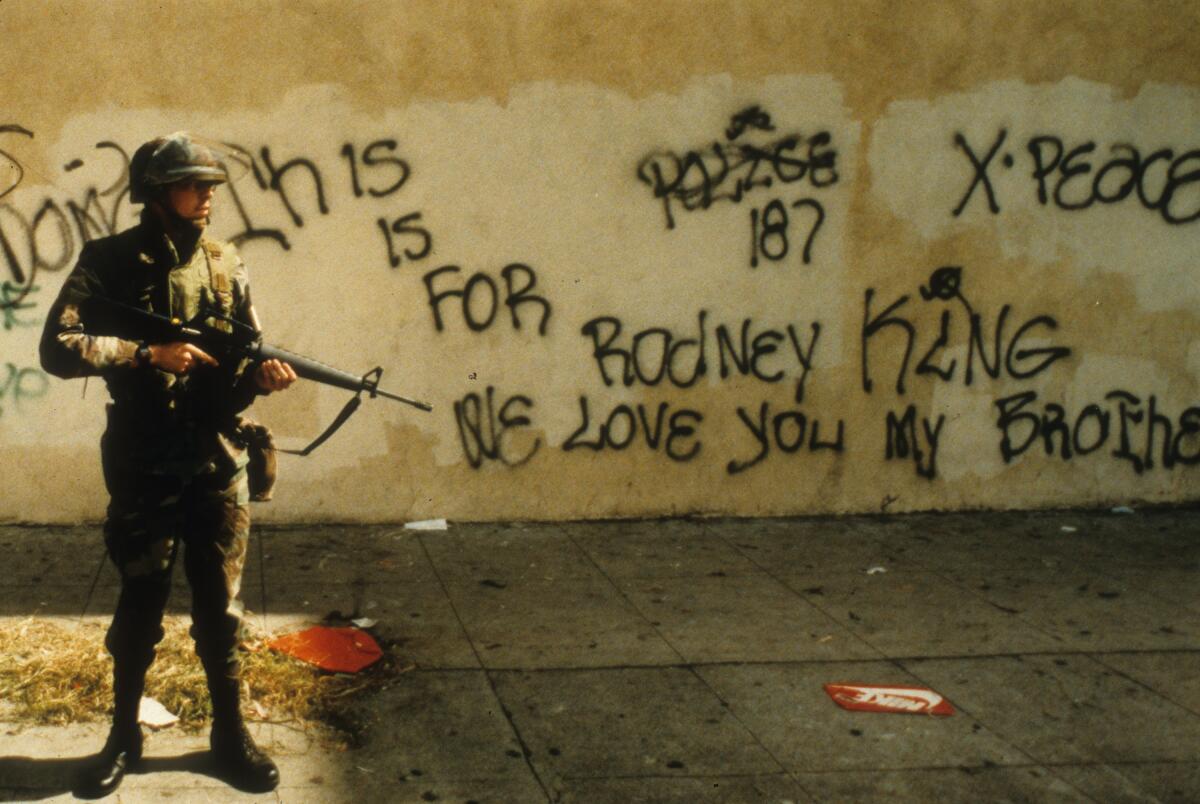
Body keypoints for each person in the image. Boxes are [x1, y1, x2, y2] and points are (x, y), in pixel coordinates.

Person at [39, 132, 297, 797]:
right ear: (158, 194)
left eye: (210, 184)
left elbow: (241, 359)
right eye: (193, 184)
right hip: (144, 460)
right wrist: (145, 354)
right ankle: (124, 735)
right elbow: (59, 346)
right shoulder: (108, 261)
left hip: (215, 459)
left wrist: (261, 378)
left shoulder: (225, 261)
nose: (208, 194)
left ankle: (229, 735)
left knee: (221, 609)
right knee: (140, 602)